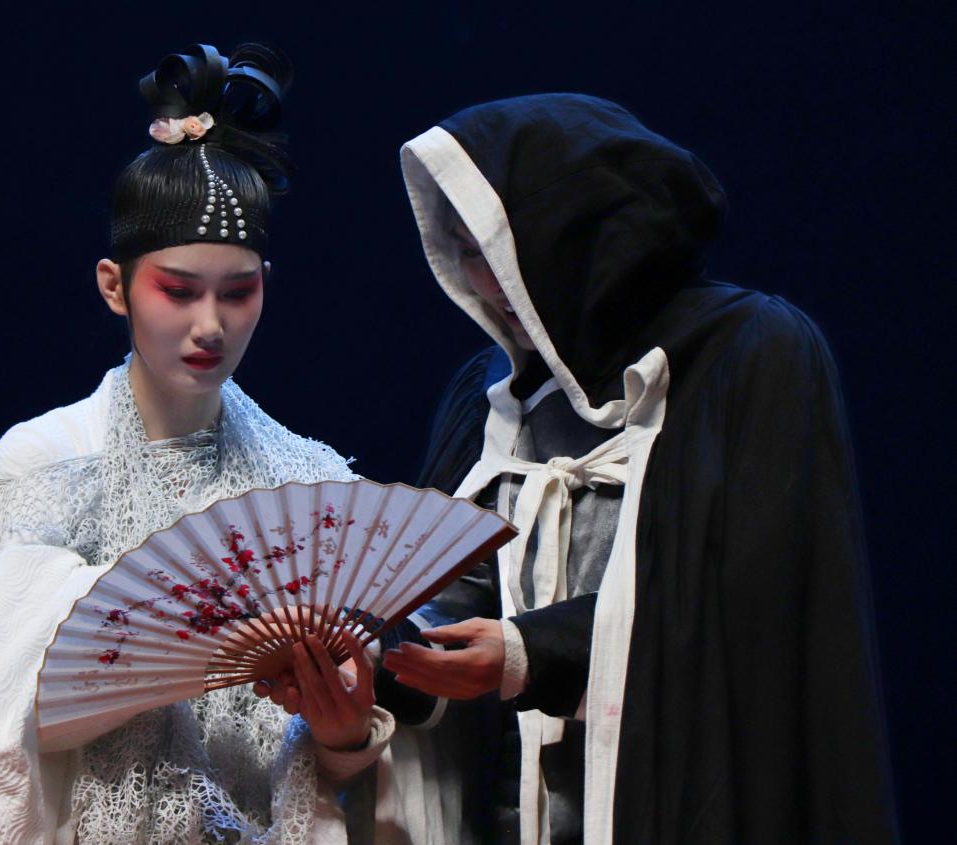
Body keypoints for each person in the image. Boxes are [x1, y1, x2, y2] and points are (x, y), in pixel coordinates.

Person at [0, 44, 392, 845]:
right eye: (178, 290)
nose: (210, 325)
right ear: (113, 284)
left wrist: (341, 735)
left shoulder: (312, 481)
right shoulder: (44, 463)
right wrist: (180, 637)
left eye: (238, 292)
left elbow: (335, 770)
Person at [372, 94, 898, 844]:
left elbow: (753, 605)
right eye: (459, 249)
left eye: (494, 245)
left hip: (685, 795)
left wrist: (535, 652)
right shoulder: (491, 393)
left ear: (573, 235)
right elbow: (457, 588)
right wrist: (383, 654)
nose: (482, 281)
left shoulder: (747, 352)